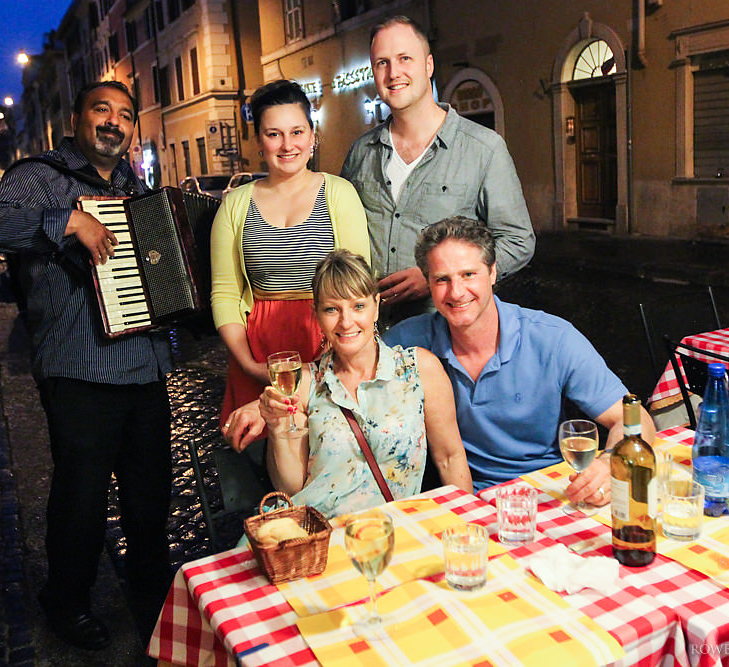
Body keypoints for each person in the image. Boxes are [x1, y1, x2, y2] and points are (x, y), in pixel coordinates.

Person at [0, 80, 171, 650]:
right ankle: (67, 599)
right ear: (77, 116)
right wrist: (68, 221)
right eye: (101, 110)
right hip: (78, 367)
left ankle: (154, 592)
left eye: (124, 115)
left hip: (145, 364)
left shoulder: (136, 186)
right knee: (81, 497)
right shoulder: (39, 176)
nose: (113, 122)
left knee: (149, 493)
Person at [384, 217, 655, 501]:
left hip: (554, 492)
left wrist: (609, 462)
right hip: (471, 499)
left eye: (468, 275)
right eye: (442, 279)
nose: (456, 292)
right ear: (428, 283)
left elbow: (636, 422)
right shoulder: (409, 340)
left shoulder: (552, 338)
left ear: (492, 272)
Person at [341, 15, 535, 323]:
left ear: (428, 65)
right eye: (382, 63)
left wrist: (436, 276)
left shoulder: (484, 148)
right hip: (373, 336)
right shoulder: (360, 153)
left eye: (405, 58)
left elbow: (517, 241)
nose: (393, 73)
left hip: (447, 334)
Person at [248, 250, 471, 518]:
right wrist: (276, 426)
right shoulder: (305, 383)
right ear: (317, 315)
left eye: (358, 306)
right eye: (332, 309)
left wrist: (468, 524)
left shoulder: (418, 369)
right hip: (318, 537)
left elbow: (450, 458)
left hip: (392, 533)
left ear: (376, 306)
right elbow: (291, 487)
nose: (346, 321)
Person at [211, 79, 370, 430]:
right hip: (257, 349)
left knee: (329, 453)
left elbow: (359, 286)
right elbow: (224, 292)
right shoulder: (236, 204)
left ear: (312, 136)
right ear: (259, 142)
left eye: (297, 131)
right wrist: (249, 363)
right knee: (264, 460)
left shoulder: (339, 194)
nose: (287, 145)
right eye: (273, 134)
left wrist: (337, 354)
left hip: (330, 342)